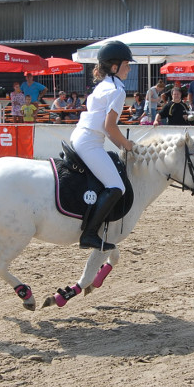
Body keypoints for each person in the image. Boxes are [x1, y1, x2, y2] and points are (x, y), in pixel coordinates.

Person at [70, 40, 135, 251]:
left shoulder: (104, 85)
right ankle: (89, 234)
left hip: (82, 136)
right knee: (117, 186)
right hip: (89, 142)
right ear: (115, 66)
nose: (129, 68)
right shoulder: (118, 90)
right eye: (127, 64)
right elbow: (110, 127)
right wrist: (127, 145)